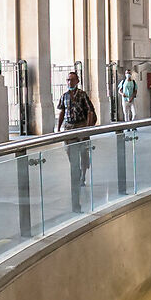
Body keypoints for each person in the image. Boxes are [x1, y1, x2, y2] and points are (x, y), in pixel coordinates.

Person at [56, 69, 97, 208]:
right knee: (70, 151)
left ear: (77, 81)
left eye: (72, 80)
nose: (69, 82)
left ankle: (83, 174)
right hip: (69, 127)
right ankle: (76, 169)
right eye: (68, 80)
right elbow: (62, 111)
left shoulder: (82, 95)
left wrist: (87, 127)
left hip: (81, 125)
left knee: (83, 152)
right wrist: (58, 128)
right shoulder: (65, 95)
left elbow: (90, 110)